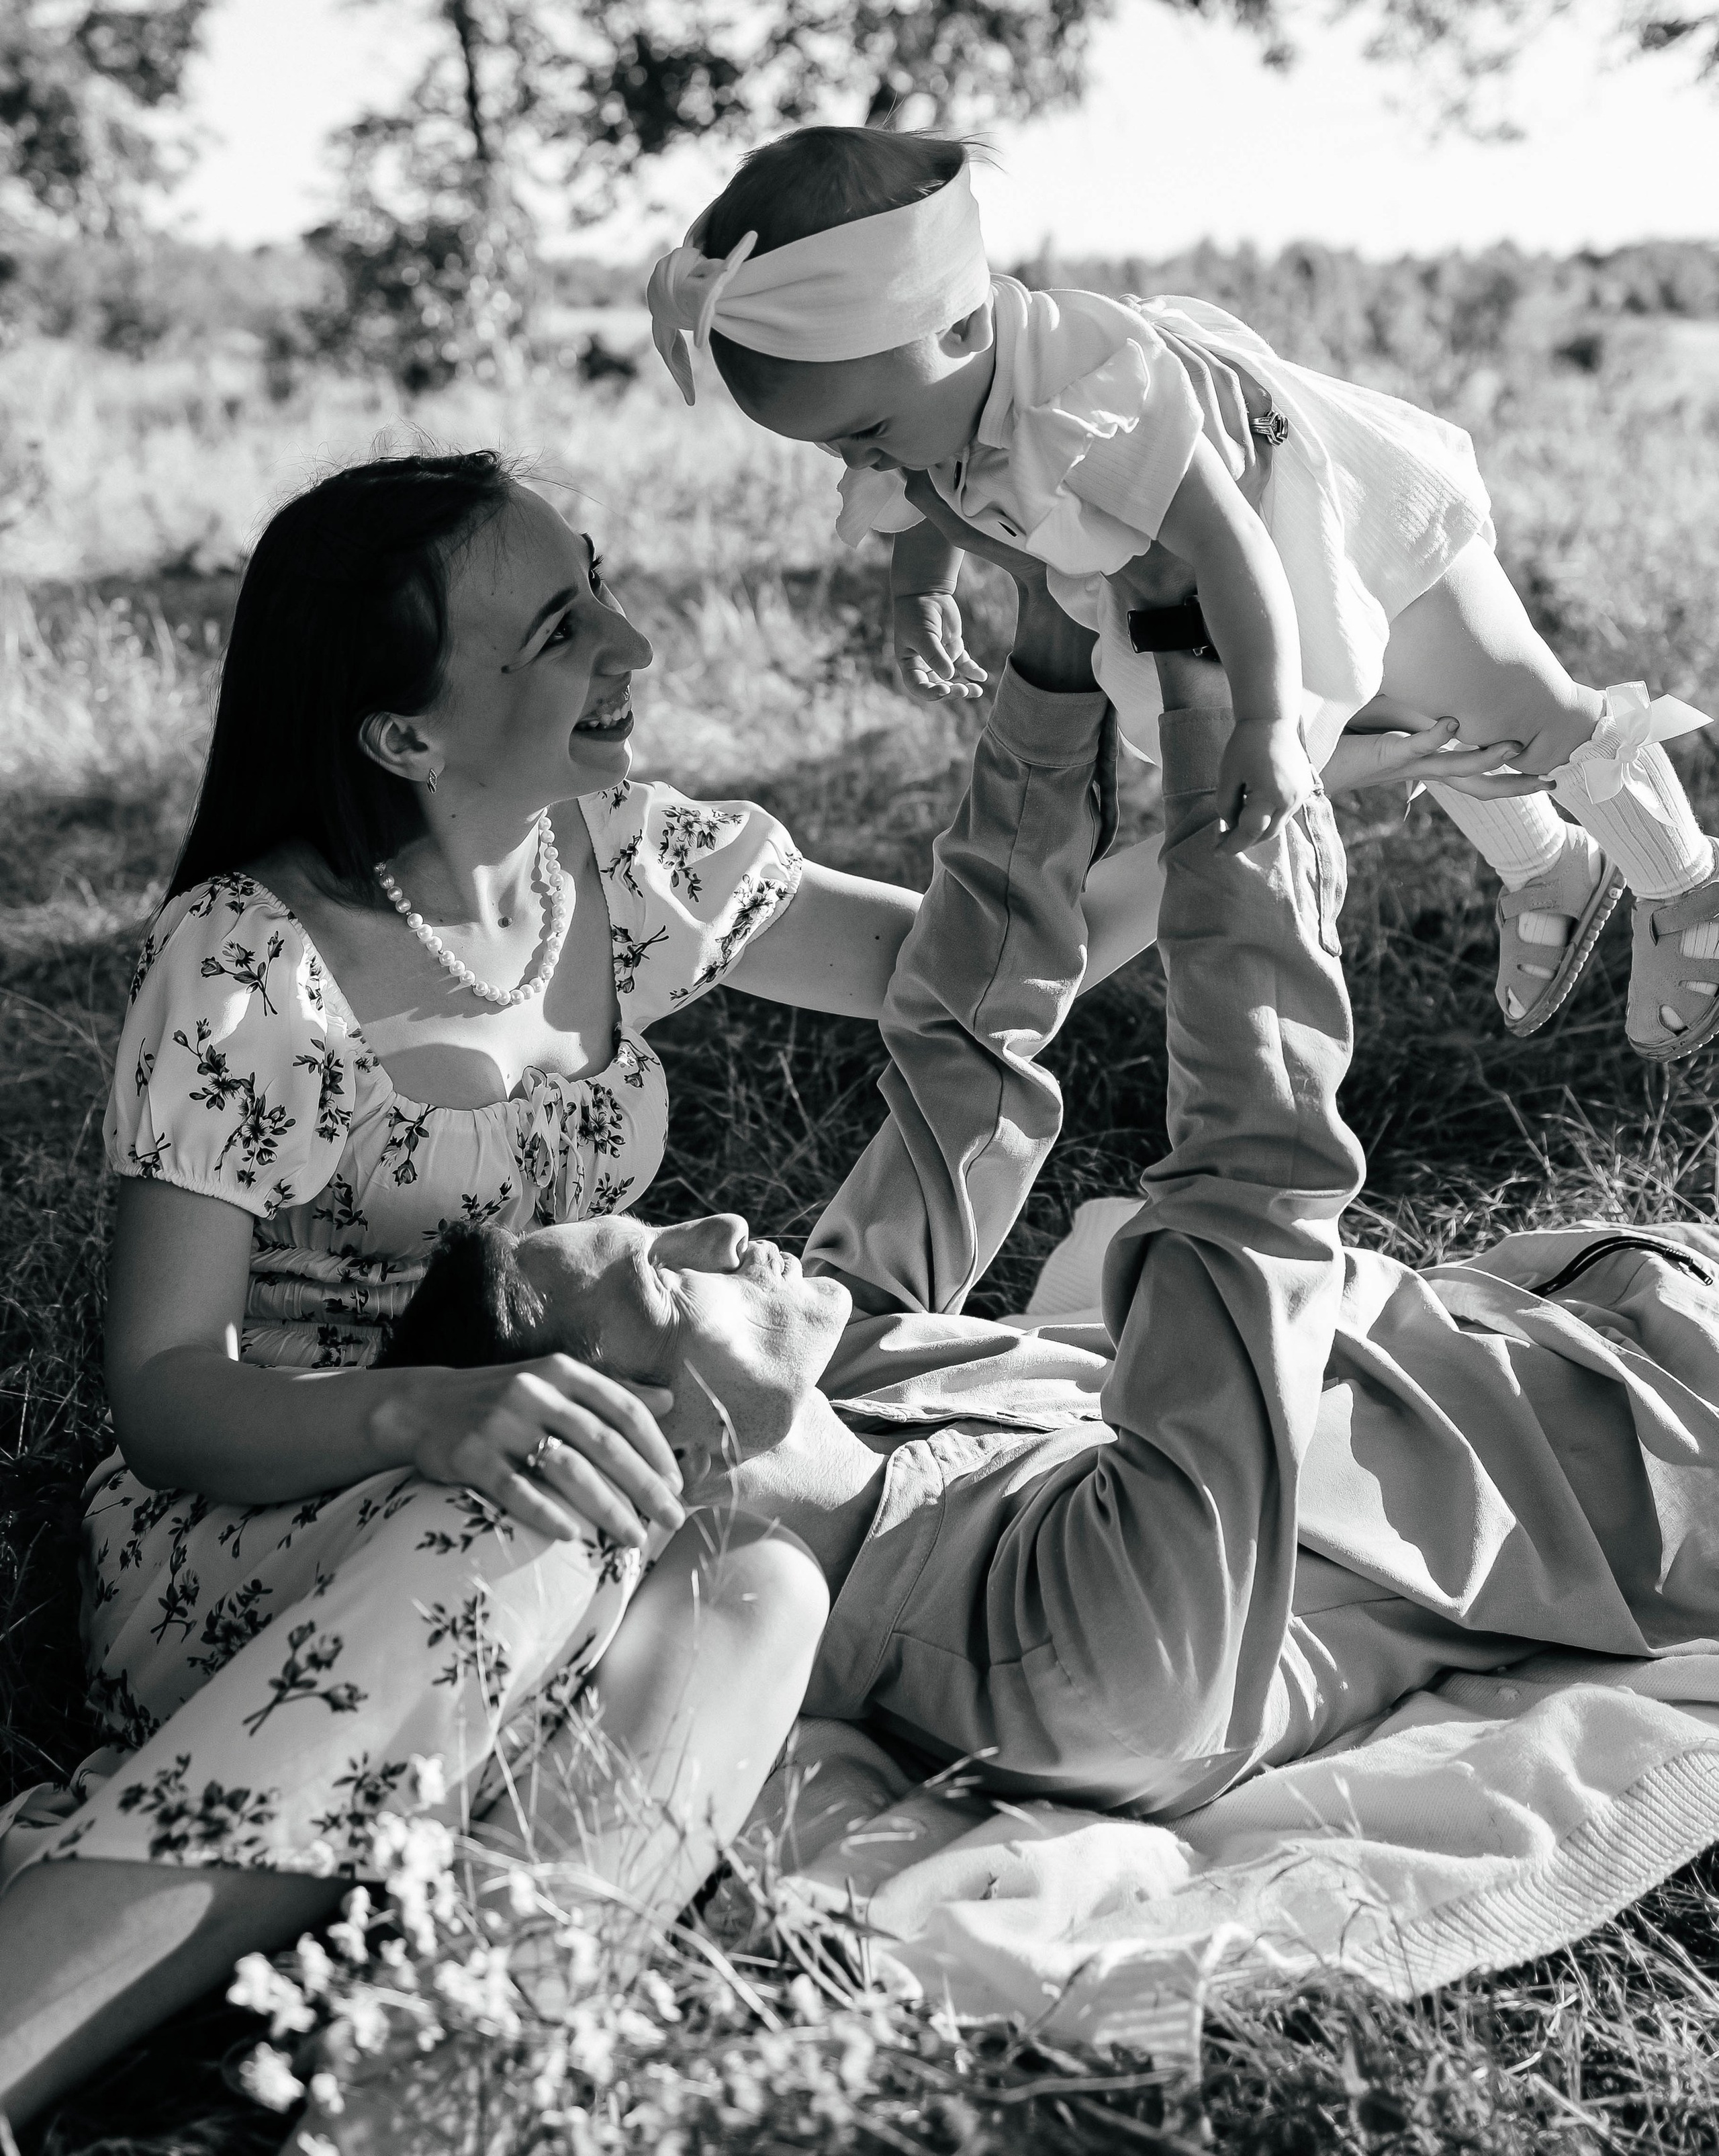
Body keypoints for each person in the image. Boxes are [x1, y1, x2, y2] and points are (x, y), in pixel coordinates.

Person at [0, 449, 1162, 2134]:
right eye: (560, 628)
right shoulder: (252, 964)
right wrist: (422, 1413)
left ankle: (427, 2092)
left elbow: (980, 980)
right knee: (546, 1517)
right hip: (264, 1522)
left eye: (598, 582)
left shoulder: (612, 859)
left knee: (759, 1585)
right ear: (405, 739)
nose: (633, 642)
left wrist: (1237, 794)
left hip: (561, 1467)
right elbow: (172, 1394)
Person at [383, 532, 1719, 1831]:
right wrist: (1209, 721)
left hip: (1581, 1295)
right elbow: (1253, 1191)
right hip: (1678, 1432)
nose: (721, 1224)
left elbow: (965, 1060)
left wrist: (1051, 648)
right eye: (667, 1281)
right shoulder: (1075, 1660)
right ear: (663, 1448)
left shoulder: (835, 1384)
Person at [646, 126, 1719, 1062]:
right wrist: (919, 589)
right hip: (1229, 578)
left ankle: (1684, 881)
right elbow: (923, 486)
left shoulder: (1090, 399)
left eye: (864, 434)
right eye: (833, 447)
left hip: (1326, 516)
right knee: (1401, 719)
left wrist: (1265, 723)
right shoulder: (927, 401)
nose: (858, 464)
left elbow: (1230, 545)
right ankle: (1551, 865)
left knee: (1518, 706)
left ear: (962, 330)